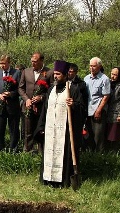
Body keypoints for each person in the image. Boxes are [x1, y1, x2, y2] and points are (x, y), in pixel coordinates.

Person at [35, 60, 85, 188]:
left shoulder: (73, 89)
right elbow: (45, 110)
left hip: (65, 131)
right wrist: (41, 126)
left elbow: (82, 109)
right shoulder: (51, 89)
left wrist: (73, 105)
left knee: (63, 155)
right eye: (55, 74)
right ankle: (48, 179)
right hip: (51, 129)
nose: (55, 76)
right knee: (49, 153)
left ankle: (62, 181)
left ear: (65, 74)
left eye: (58, 74)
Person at [18, 52, 53, 152]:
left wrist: (41, 97)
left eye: (35, 62)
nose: (33, 64)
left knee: (41, 130)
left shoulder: (49, 72)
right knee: (28, 131)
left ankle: (42, 152)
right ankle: (28, 151)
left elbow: (52, 90)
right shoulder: (26, 71)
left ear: (41, 61)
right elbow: (20, 88)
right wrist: (26, 99)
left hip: (41, 107)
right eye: (32, 61)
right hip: (28, 106)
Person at [0, 55, 21, 152]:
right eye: (0, 64)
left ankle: (13, 149)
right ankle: (0, 148)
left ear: (9, 63)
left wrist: (11, 94)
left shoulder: (17, 73)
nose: (2, 66)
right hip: (0, 105)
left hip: (12, 106)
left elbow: (20, 88)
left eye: (4, 63)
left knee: (14, 129)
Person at [84, 57, 110, 152]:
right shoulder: (86, 78)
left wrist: (99, 110)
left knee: (98, 135)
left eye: (94, 66)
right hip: (88, 110)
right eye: (90, 66)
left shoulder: (104, 79)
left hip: (98, 110)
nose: (92, 68)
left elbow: (106, 96)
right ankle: (89, 154)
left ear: (99, 66)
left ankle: (99, 156)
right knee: (88, 134)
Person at [106, 67, 120, 150]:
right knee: (108, 137)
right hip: (109, 114)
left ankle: (115, 156)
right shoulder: (110, 83)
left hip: (117, 115)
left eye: (115, 75)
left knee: (115, 137)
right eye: (112, 74)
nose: (112, 76)